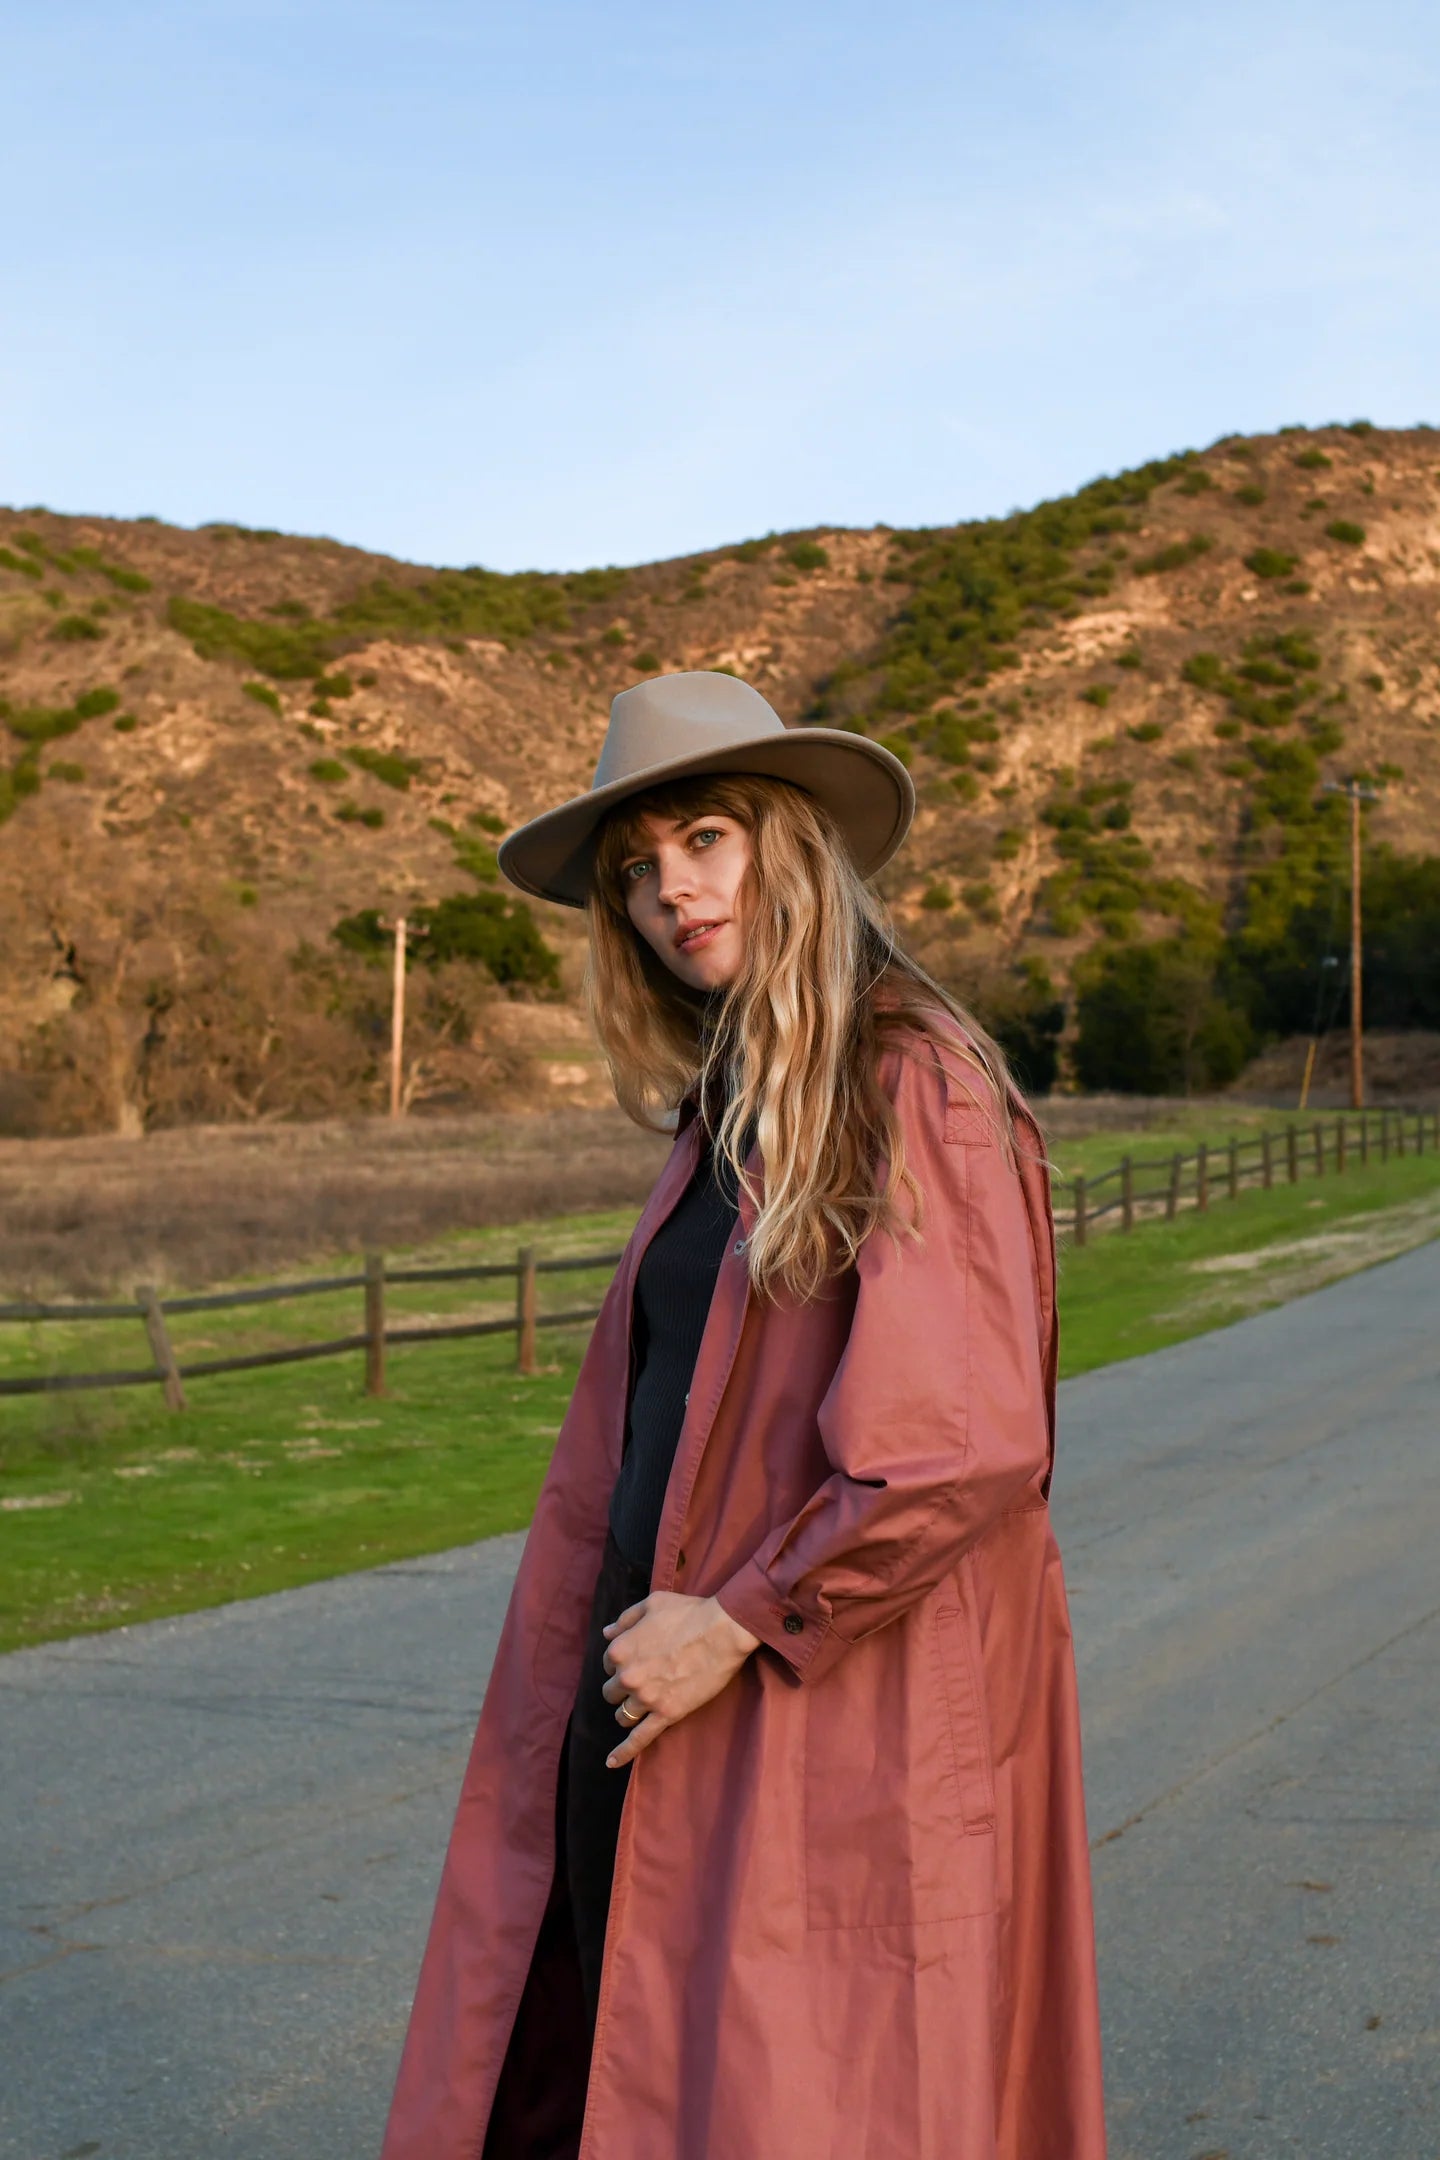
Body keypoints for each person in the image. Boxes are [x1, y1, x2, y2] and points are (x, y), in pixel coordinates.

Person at [379, 672, 1106, 2160]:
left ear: (791, 845)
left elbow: (955, 1443)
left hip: (824, 1712)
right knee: (616, 2071)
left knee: (805, 2095)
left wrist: (740, 1616)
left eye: (705, 838)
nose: (669, 891)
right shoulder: (734, 1106)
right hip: (662, 1696)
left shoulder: (908, 1082)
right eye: (638, 870)